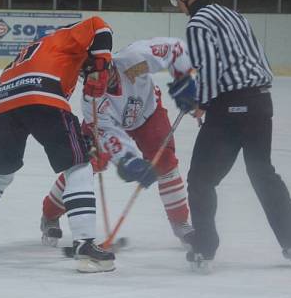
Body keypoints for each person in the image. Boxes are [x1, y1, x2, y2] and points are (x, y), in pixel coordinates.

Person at [167, 0, 291, 273]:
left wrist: (200, 102)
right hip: (260, 102)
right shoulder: (234, 15)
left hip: (230, 107)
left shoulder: (199, 22)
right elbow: (256, 57)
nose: (176, 2)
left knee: (201, 180)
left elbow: (208, 68)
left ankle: (204, 247)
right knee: (262, 171)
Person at [0, 16, 116, 273]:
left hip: (3, 97)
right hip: (40, 89)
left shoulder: (37, 50)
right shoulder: (66, 36)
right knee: (79, 165)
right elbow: (99, 25)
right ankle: (85, 246)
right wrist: (100, 65)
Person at [39, 37, 196, 250]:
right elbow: (107, 133)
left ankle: (181, 224)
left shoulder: (134, 62)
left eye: (98, 74)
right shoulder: (92, 101)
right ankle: (49, 214)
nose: (96, 82)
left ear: (108, 63)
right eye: (88, 77)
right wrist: (128, 160)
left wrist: (182, 78)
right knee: (83, 165)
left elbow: (175, 49)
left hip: (148, 114)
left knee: (166, 161)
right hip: (109, 123)